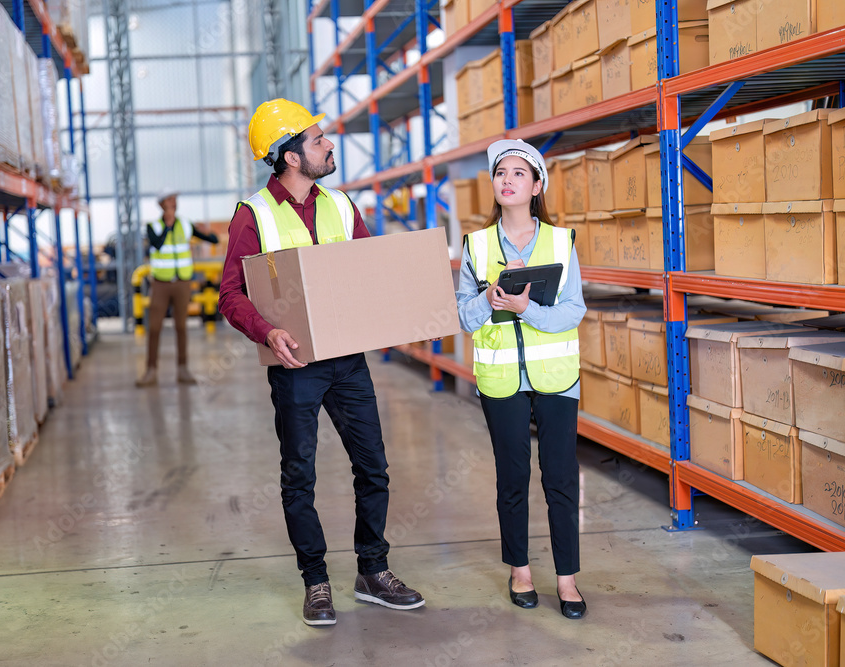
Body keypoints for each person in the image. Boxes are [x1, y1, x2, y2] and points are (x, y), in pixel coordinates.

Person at [218, 98, 425, 627]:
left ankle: (373, 570)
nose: (329, 144)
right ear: (290, 156)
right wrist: (268, 331)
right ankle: (315, 581)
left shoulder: (340, 205)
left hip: (348, 361)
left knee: (373, 466)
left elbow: (367, 270)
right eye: (317, 140)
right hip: (296, 367)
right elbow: (231, 295)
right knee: (299, 475)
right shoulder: (254, 215)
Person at [455, 139, 588, 620]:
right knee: (512, 478)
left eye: (518, 173)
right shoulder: (476, 245)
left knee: (560, 479)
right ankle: (521, 571)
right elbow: (463, 317)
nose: (507, 180)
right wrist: (489, 301)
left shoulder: (560, 241)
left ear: (536, 186)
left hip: (556, 377)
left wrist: (527, 307)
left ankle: (567, 579)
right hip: (502, 379)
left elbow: (574, 310)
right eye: (500, 174)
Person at [135, 190, 220, 387]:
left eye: (175, 199)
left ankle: (183, 369)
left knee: (181, 327)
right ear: (161, 204)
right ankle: (151, 370)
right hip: (161, 284)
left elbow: (212, 240)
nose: (173, 203)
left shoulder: (186, 225)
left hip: (182, 283)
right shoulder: (152, 227)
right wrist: (168, 226)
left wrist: (209, 232)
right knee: (154, 327)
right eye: (169, 200)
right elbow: (156, 244)